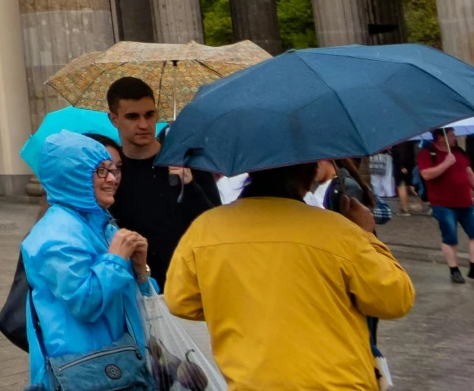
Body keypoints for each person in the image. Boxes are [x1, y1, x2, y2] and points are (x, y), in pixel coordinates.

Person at [167, 159, 415, 388]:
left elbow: (180, 301)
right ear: (307, 179)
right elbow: (395, 298)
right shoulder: (339, 233)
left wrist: (234, 308)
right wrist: (367, 235)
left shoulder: (205, 230)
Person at [20, 132, 149, 391]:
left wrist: (139, 270)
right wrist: (115, 258)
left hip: (118, 365)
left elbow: (130, 297)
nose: (112, 179)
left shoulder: (99, 222)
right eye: (100, 171)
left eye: (112, 169)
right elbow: (84, 302)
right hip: (84, 372)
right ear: (72, 175)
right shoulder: (56, 234)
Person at [103, 75, 220, 286]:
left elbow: (215, 223)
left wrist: (191, 186)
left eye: (150, 114)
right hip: (138, 286)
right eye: (132, 117)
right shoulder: (113, 173)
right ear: (114, 119)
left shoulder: (188, 162)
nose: (144, 124)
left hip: (193, 285)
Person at [415, 126, 473, 282]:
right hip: (443, 204)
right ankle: (454, 270)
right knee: (450, 237)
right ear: (441, 138)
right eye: (452, 135)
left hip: (466, 202)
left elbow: (468, 173)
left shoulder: (459, 151)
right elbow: (426, 175)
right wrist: (446, 163)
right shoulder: (427, 154)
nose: (455, 138)